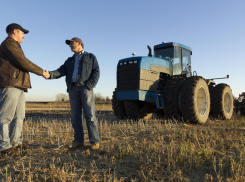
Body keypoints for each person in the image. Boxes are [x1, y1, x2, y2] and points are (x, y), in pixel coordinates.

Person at [0, 23, 50, 155]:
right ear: (15, 31)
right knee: (5, 117)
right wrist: (41, 72)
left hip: (19, 85)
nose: (24, 36)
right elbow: (22, 61)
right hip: (11, 84)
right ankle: (4, 147)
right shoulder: (9, 44)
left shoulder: (15, 45)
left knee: (19, 116)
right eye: (22, 33)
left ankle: (14, 143)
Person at [47, 37, 100, 150]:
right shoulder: (69, 60)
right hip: (72, 88)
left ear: (79, 43)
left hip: (86, 88)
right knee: (75, 117)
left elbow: (96, 72)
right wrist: (49, 74)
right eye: (70, 44)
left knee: (90, 116)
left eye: (72, 43)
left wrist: (89, 85)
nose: (70, 45)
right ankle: (78, 141)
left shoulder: (90, 57)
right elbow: (60, 71)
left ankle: (94, 142)